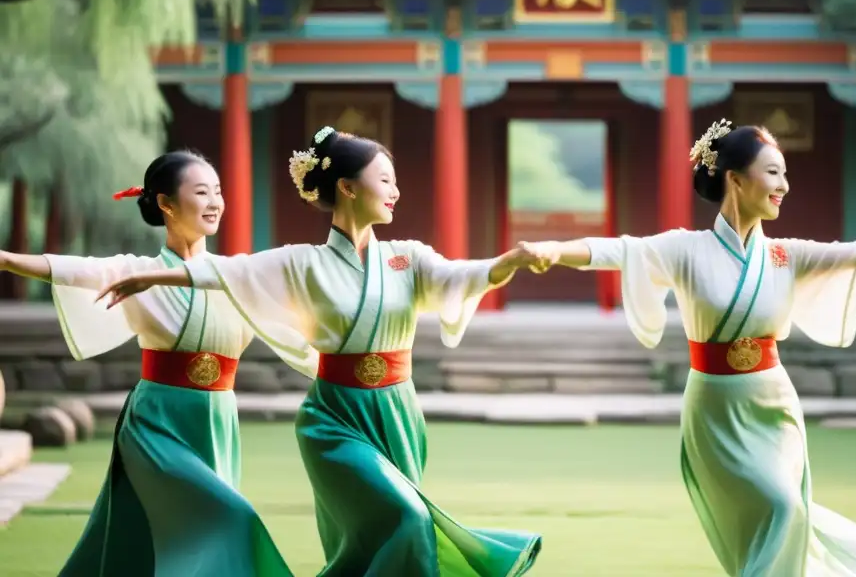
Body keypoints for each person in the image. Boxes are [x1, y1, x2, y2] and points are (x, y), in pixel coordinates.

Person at [516, 119, 856, 577]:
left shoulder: (784, 255)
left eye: (785, 174)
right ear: (735, 179)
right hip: (715, 406)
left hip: (773, 402)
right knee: (778, 509)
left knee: (788, 510)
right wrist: (554, 250)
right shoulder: (686, 249)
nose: (784, 186)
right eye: (773, 173)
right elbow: (617, 251)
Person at [94, 127, 543, 577]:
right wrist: (155, 278)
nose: (395, 191)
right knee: (411, 517)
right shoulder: (302, 261)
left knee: (375, 539)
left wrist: (509, 262)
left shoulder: (409, 258)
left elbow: (462, 276)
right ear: (347, 187)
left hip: (398, 412)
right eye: (384, 180)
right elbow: (231, 273)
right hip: (333, 418)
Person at [0, 151, 311, 577]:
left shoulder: (235, 274)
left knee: (162, 534)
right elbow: (70, 269)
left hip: (217, 418)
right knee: (228, 518)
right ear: (166, 203)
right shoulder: (135, 270)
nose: (215, 202)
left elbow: (299, 282)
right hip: (157, 421)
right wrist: (5, 259)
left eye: (218, 192)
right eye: (202, 192)